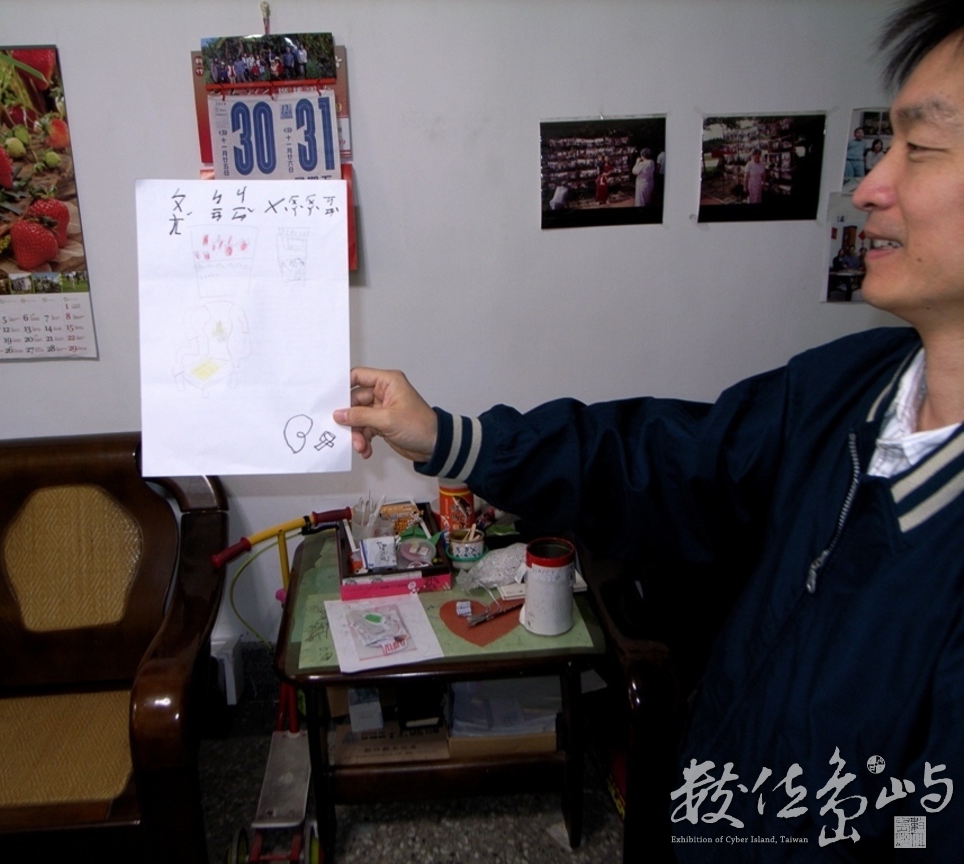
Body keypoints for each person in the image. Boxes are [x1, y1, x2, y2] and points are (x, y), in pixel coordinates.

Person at [334, 2, 964, 857]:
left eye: (918, 147)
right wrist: (449, 437)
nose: (868, 186)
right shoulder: (844, 390)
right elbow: (659, 462)